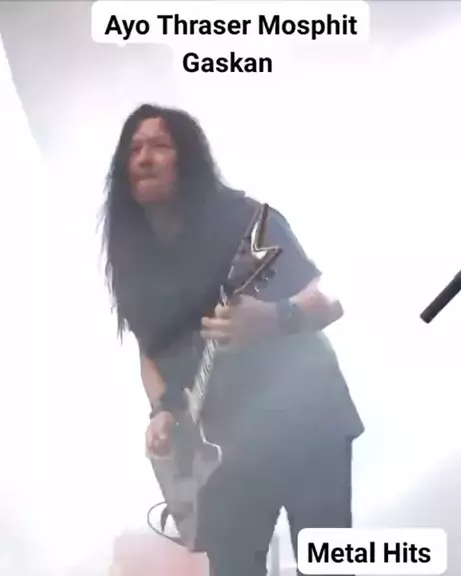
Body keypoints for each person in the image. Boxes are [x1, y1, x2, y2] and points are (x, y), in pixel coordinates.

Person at [101, 103, 364, 576]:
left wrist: (276, 317)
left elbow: (330, 299)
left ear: (189, 158)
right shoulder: (133, 255)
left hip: (306, 420)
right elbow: (150, 349)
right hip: (223, 447)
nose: (144, 158)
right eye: (134, 149)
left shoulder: (247, 221)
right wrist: (163, 409)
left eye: (160, 145)